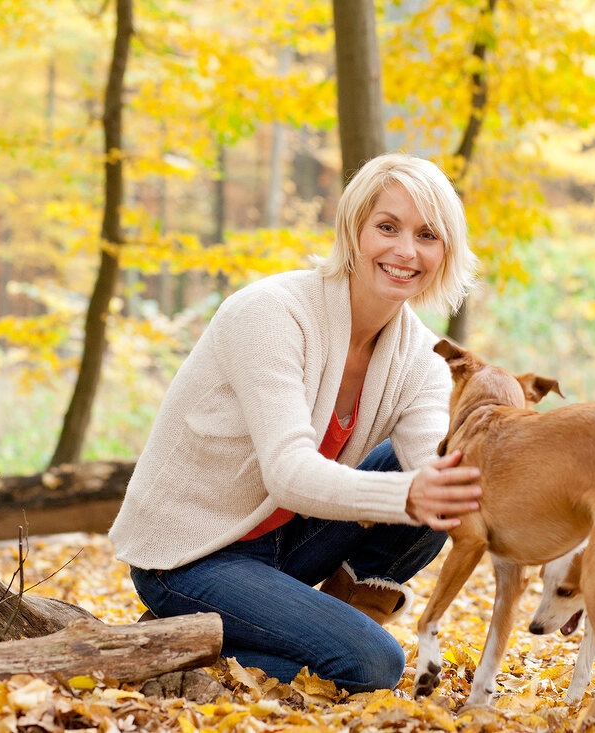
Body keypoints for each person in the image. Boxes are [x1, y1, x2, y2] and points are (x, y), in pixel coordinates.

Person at [108, 152, 482, 693]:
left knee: (451, 473)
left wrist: (567, 536)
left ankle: (322, 617)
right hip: (191, 555)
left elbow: (436, 466)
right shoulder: (272, 313)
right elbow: (287, 473)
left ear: (445, 251)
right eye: (387, 227)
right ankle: (176, 648)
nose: (406, 250)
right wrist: (407, 495)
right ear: (354, 232)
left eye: (427, 235)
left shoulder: (422, 356)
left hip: (284, 543)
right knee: (373, 666)